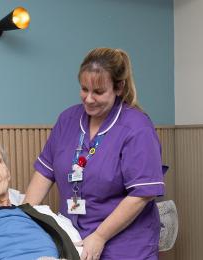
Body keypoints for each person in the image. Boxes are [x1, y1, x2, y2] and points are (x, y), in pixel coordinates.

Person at [24, 47, 165, 260]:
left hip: (125, 244)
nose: (89, 99)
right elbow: (45, 173)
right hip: (74, 238)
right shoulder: (67, 120)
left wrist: (100, 236)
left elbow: (141, 194)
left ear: (119, 87)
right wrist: (23, 220)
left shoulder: (137, 127)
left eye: (98, 92)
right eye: (84, 89)